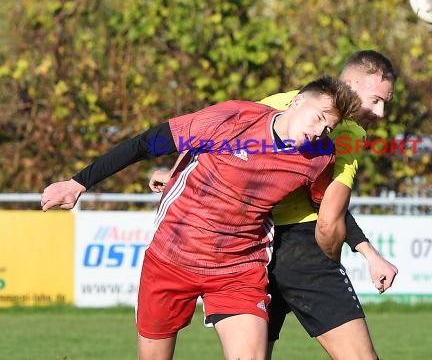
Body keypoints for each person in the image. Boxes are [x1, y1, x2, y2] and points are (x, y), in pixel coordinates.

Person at [40, 76, 361, 360]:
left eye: (328, 127)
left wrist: (364, 248)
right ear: (297, 100)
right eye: (318, 118)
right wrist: (78, 182)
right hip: (172, 255)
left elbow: (330, 209)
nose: (319, 131)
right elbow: (146, 143)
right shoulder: (234, 117)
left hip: (238, 267)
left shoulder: (320, 157)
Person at [150, 50, 399, 359]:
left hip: (250, 248)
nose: (380, 112)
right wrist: (332, 260)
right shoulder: (348, 133)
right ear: (350, 83)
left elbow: (211, 137)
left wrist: (177, 175)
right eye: (375, 99)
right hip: (299, 247)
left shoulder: (282, 101)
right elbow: (329, 214)